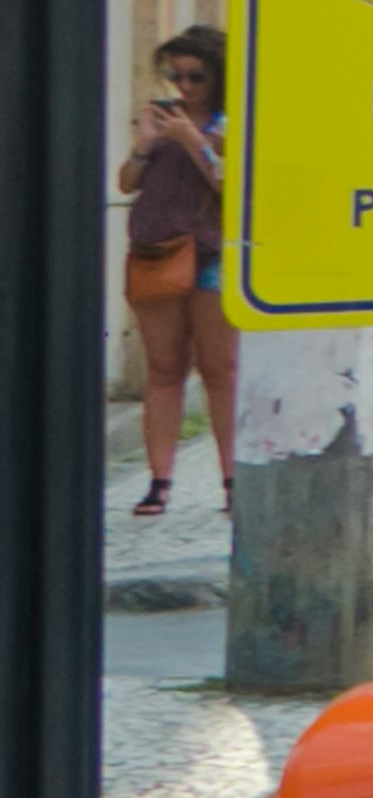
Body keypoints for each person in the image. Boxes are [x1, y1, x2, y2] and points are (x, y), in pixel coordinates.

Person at [115, 26, 227, 514]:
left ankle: (232, 479)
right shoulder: (164, 119)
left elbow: (233, 186)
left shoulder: (232, 122)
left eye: (196, 76)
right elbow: (127, 182)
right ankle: (159, 481)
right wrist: (146, 142)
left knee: (220, 369)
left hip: (211, 254)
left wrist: (193, 141)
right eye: (174, 75)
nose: (184, 86)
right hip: (159, 252)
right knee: (164, 369)